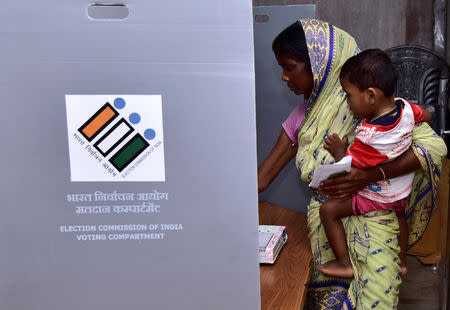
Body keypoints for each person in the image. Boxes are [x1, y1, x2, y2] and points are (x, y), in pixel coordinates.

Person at [258, 19, 447, 309]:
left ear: (319, 66)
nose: (284, 77)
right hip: (328, 229)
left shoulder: (372, 106)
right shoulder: (304, 117)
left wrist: (369, 175)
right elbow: (261, 179)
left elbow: (434, 148)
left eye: (289, 67)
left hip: (376, 225)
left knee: (376, 300)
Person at [317, 49, 432, 279]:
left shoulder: (369, 137)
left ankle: (344, 263)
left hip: (378, 195)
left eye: (348, 95)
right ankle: (401, 263)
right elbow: (426, 117)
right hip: (402, 191)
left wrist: (340, 151)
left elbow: (352, 170)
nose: (347, 103)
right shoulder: (406, 108)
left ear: (371, 95)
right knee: (401, 218)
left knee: (327, 211)